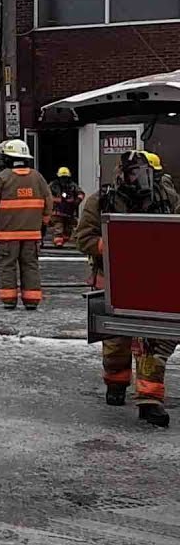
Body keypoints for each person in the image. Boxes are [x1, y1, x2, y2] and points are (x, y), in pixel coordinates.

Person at [74, 150, 179, 428]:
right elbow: (83, 237)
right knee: (116, 343)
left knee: (153, 344)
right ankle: (116, 385)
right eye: (133, 172)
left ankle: (149, 400)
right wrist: (116, 245)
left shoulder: (166, 199)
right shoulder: (102, 200)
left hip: (153, 283)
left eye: (144, 173)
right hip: (113, 283)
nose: (139, 179)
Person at [0, 139, 53, 310]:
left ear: (8, 158)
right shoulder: (38, 178)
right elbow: (48, 202)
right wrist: (44, 223)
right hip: (32, 235)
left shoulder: (1, 179)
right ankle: (32, 300)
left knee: (7, 266)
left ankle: (9, 300)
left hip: (6, 235)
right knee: (30, 266)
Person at [47, 166, 84, 248]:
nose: (64, 179)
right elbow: (46, 195)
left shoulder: (72, 185)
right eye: (62, 177)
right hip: (57, 211)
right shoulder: (53, 185)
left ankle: (65, 242)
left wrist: (76, 201)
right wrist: (56, 200)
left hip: (69, 211)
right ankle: (58, 242)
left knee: (68, 229)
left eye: (65, 177)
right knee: (58, 226)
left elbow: (81, 193)